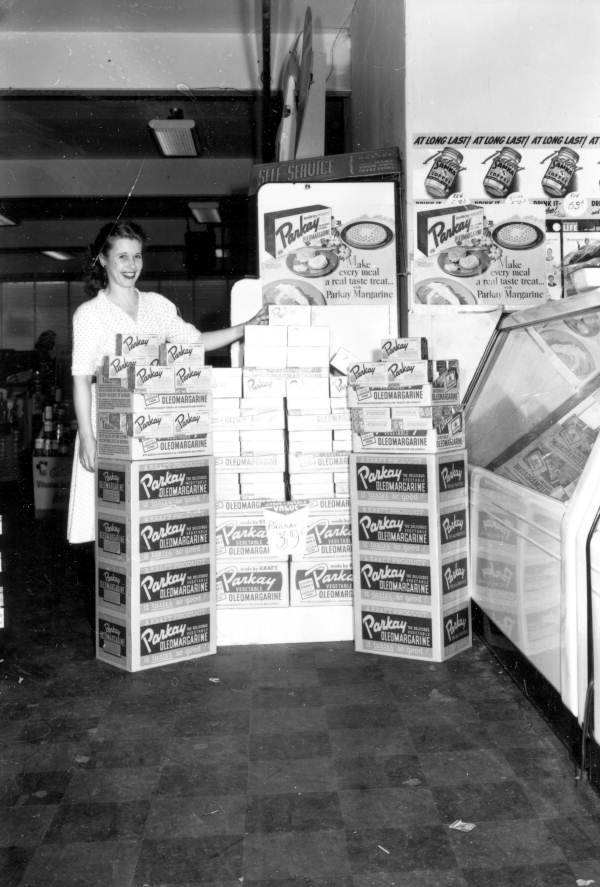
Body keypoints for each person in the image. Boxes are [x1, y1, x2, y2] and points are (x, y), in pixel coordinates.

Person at [67, 219, 268, 544]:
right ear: (103, 260)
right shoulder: (90, 314)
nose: (132, 265)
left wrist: (245, 328)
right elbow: (80, 379)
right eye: (122, 257)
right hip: (108, 427)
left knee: (153, 519)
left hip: (154, 423)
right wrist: (88, 441)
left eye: (137, 256)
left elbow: (195, 341)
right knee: (111, 526)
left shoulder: (157, 306)